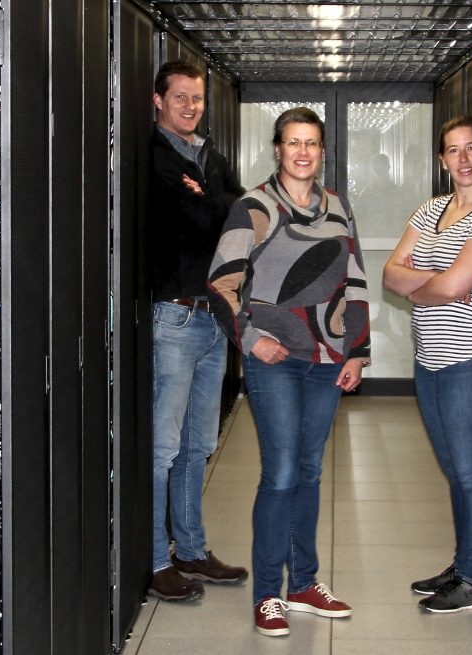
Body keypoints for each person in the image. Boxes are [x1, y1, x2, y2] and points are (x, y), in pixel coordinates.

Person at [207, 107, 371, 637]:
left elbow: (357, 281)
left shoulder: (338, 207)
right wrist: (252, 341)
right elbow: (221, 284)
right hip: (275, 362)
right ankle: (267, 595)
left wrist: (357, 352)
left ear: (322, 152)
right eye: (293, 142)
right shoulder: (253, 206)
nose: (303, 152)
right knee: (279, 474)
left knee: (309, 471)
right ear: (277, 149)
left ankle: (303, 583)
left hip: (327, 361)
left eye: (312, 144)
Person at [382, 115, 472, 614]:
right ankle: (462, 565)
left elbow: (458, 286)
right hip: (430, 359)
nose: (464, 159)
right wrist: (429, 279)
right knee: (455, 470)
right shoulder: (431, 209)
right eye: (454, 151)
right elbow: (390, 274)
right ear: (442, 159)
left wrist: (424, 280)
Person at [148, 59, 248, 603]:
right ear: (157, 101)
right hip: (174, 317)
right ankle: (155, 558)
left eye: (198, 98)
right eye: (181, 97)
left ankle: (191, 549)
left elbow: (242, 216)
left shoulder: (209, 157)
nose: (191, 105)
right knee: (164, 447)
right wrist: (214, 204)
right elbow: (200, 221)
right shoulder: (155, 157)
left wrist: (207, 196)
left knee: (197, 446)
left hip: (214, 318)